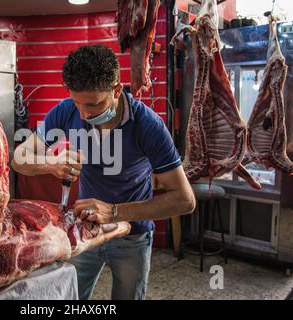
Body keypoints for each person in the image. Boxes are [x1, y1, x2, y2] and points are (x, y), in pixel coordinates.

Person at [12, 44, 195, 300]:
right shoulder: (66, 111)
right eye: (78, 103)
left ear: (117, 89)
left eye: (94, 105)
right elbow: (18, 159)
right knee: (71, 299)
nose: (85, 114)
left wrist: (115, 212)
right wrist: (50, 164)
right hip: (85, 230)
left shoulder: (148, 125)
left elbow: (185, 200)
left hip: (133, 235)